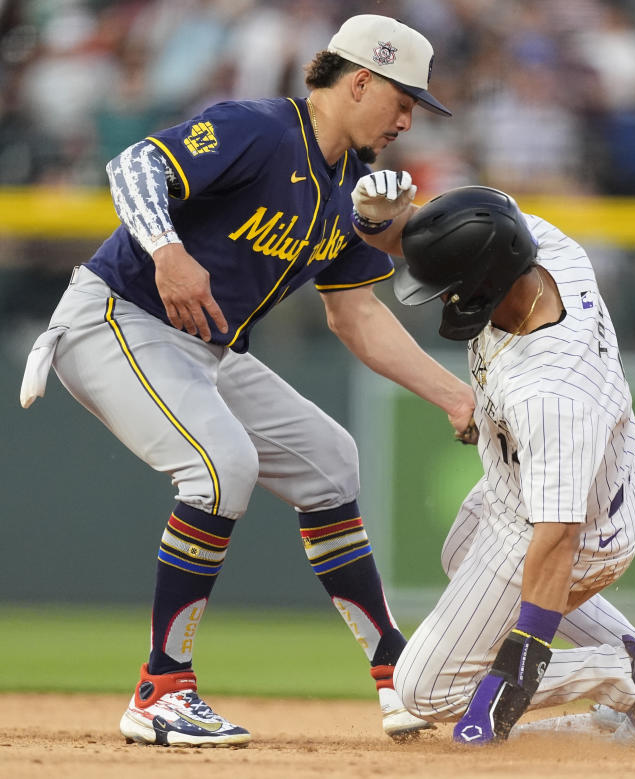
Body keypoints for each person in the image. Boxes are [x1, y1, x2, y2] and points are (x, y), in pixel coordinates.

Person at [18, 14, 476, 748]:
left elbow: (356, 315)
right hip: (115, 318)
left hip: (201, 347)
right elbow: (133, 166)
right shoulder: (261, 127)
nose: (406, 119)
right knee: (221, 465)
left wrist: (456, 395)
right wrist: (166, 249)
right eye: (402, 99)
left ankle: (397, 670)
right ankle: (161, 689)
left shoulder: (352, 190)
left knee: (331, 462)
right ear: (360, 80)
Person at [383, 185, 635, 744]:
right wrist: (377, 222)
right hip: (578, 479)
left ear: (486, 284)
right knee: (461, 552)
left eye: (450, 290)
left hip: (571, 529)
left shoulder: (550, 392)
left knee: (424, 689)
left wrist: (517, 670)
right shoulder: (544, 249)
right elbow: (456, 233)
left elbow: (556, 536)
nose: (443, 298)